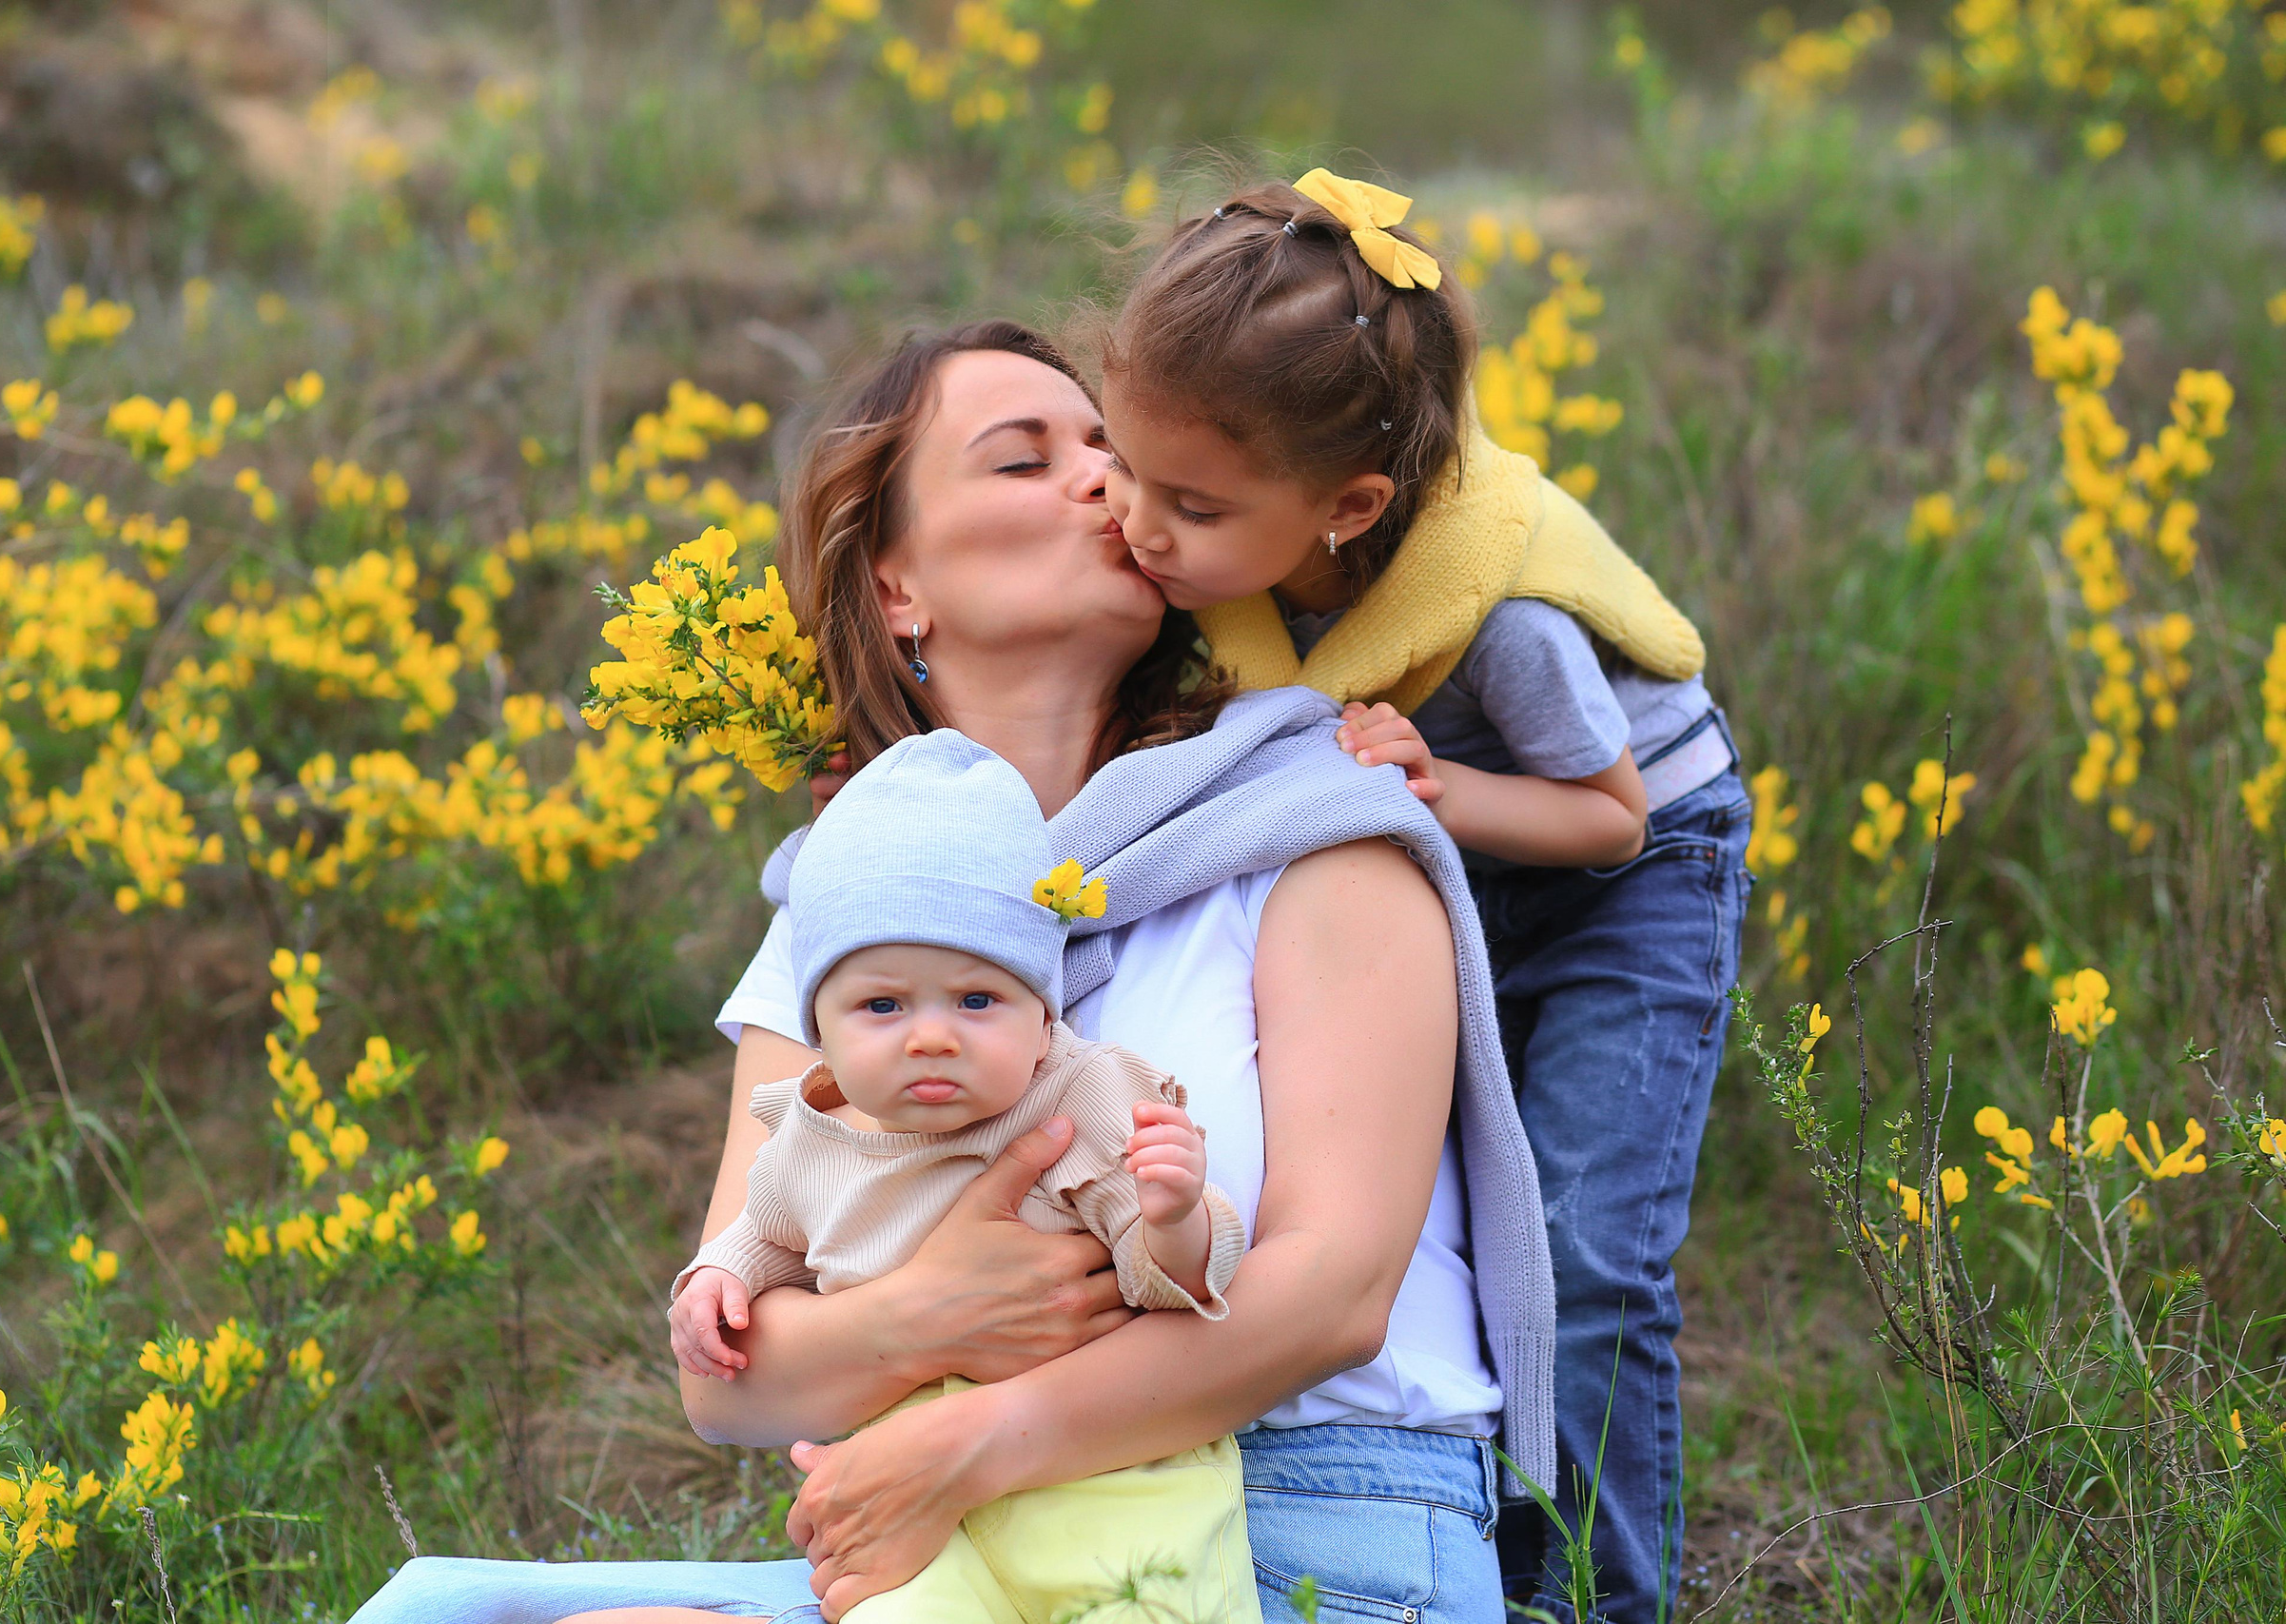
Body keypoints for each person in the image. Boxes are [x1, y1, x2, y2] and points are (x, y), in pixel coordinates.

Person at [348, 319, 1550, 1624]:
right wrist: (935, 1313)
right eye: (1023, 460)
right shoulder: (841, 915)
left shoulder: (1310, 822)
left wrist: (981, 1430)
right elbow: (733, 1374)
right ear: (896, 585)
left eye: (1112, 450)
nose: (1099, 477)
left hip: (1309, 1530)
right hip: (962, 1554)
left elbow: (1334, 1292)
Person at [1094, 170, 1751, 1621]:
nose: (1138, 526)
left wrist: (1433, 794)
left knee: (1582, 1251)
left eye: (1187, 504)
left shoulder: (1500, 608)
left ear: (1353, 507)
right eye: (1118, 468)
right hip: (1434, 861)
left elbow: (1612, 817)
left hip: (1618, 879)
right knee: (1463, 1227)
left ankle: (1592, 1594)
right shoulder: (1238, 536)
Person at [661, 728, 1257, 1622]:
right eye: (882, 1004)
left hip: (1106, 1479)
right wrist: (716, 1281)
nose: (931, 1034)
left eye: (978, 1000)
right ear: (817, 1022)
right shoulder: (809, 1138)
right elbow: (765, 1234)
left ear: (1043, 1012)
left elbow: (1165, 1281)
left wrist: (1172, 1214)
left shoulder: (1078, 1098)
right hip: (907, 1508)